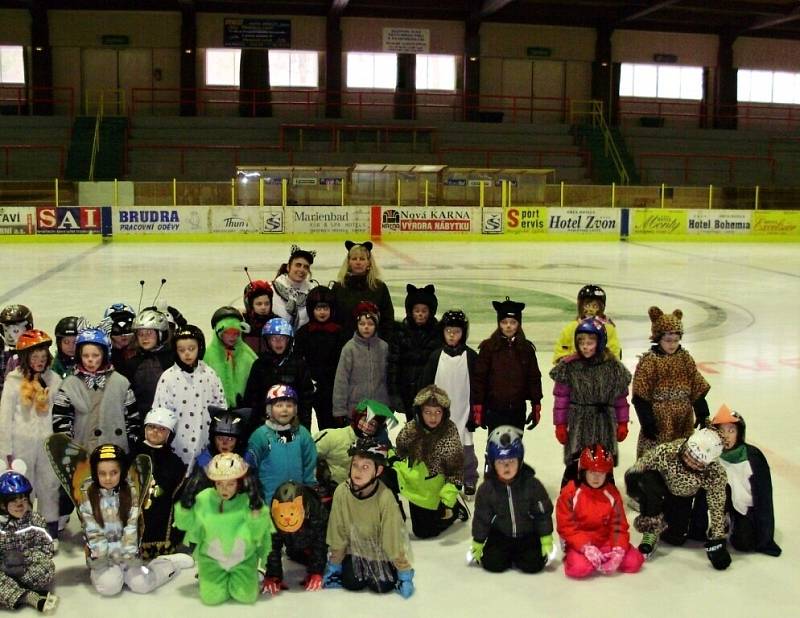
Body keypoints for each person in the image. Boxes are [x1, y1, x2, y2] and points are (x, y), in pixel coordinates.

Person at [78, 444, 188, 596]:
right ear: (95, 473)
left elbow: (132, 527)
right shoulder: (88, 495)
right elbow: (93, 531)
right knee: (109, 587)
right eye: (102, 473)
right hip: (102, 557)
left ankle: (168, 563)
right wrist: (104, 558)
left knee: (142, 584)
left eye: (114, 472)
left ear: (122, 472)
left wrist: (128, 555)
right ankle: (115, 575)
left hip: (128, 554)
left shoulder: (130, 492)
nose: (108, 478)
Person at [174, 452, 273, 605]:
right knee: (211, 598)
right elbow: (185, 525)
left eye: (230, 484)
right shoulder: (204, 498)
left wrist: (256, 509)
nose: (224, 489)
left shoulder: (248, 500)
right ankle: (213, 577)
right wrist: (186, 504)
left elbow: (258, 532)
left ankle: (251, 574)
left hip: (243, 560)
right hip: (212, 560)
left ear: (240, 482)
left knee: (246, 597)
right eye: (219, 483)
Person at [624, 428, 731, 569]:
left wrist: (718, 540)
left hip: (683, 497)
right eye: (689, 455)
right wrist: (633, 477)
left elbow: (717, 503)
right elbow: (645, 462)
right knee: (646, 479)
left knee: (675, 538)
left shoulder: (715, 473)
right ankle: (651, 529)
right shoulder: (668, 451)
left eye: (698, 462)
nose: (690, 463)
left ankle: (692, 522)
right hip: (661, 488)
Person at [323, 438, 413, 598]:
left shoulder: (385, 497)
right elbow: (338, 530)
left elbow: (392, 538)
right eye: (355, 465)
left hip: (380, 551)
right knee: (351, 582)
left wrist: (403, 572)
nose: (358, 471)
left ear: (377, 471)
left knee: (382, 585)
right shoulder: (341, 492)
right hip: (354, 551)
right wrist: (334, 566)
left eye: (366, 467)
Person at [550, 318, 631, 485]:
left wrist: (622, 422)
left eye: (590, 342)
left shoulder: (613, 367)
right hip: (580, 421)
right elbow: (561, 398)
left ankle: (606, 495)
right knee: (576, 458)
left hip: (604, 423)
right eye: (581, 342)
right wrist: (560, 424)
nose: (585, 347)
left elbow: (620, 398)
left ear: (600, 342)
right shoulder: (570, 366)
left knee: (603, 459)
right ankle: (570, 493)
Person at [0, 329, 62, 541]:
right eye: (35, 357)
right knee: (25, 486)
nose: (39, 362)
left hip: (47, 443)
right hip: (21, 445)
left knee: (49, 485)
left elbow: (59, 411)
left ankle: (49, 527)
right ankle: (24, 528)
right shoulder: (13, 381)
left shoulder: (53, 380)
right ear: (26, 358)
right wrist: (5, 450)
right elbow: (5, 418)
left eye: (43, 357)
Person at [470, 425, 553, 574]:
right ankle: (505, 555)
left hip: (527, 534)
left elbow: (542, 513)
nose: (507, 466)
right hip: (501, 534)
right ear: (493, 463)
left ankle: (522, 555)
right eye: (501, 462)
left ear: (520, 460)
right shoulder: (487, 490)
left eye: (512, 461)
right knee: (492, 564)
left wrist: (545, 537)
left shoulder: (532, 485)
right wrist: (478, 541)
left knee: (533, 565)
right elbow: (482, 518)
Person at [703, 404, 781, 556]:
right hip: (721, 502)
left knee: (743, 544)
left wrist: (766, 537)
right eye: (721, 430)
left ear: (739, 433)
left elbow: (764, 498)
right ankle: (722, 519)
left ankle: (737, 521)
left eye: (731, 431)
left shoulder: (753, 456)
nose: (726, 435)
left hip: (746, 507)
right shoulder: (711, 453)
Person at [632, 306, 710, 457]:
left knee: (681, 458)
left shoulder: (685, 359)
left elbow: (696, 384)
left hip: (683, 422)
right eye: (668, 340)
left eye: (676, 340)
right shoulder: (650, 361)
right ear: (657, 338)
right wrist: (647, 422)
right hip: (659, 423)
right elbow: (640, 395)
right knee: (657, 457)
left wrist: (702, 412)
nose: (672, 344)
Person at [556, 444, 644, 578]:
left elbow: (618, 525)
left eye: (601, 473)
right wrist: (585, 547)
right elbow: (565, 526)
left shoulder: (612, 493)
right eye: (592, 472)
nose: (596, 478)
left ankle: (606, 555)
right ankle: (576, 556)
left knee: (634, 562)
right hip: (579, 542)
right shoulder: (570, 493)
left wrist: (618, 549)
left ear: (607, 474)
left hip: (605, 540)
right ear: (583, 471)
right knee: (579, 569)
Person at [393, 385, 469, 539]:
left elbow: (455, 473)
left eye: (437, 412)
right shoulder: (411, 428)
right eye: (427, 412)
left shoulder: (449, 432)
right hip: (413, 480)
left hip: (433, 488)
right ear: (419, 412)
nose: (433, 418)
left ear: (444, 413)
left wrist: (446, 501)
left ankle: (455, 509)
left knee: (424, 532)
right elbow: (400, 449)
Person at [52, 325, 139, 453]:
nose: (90, 360)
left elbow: (132, 418)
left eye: (95, 355)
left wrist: (132, 443)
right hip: (82, 452)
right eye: (85, 355)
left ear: (105, 354)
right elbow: (60, 419)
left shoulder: (121, 382)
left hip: (115, 451)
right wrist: (68, 448)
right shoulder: (70, 384)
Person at [420, 309, 479, 496]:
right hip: (440, 414)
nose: (452, 335)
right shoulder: (436, 356)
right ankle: (445, 477)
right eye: (448, 331)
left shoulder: (470, 356)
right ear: (442, 332)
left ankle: (469, 477)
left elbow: (478, 385)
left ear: (464, 333)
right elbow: (425, 385)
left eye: (457, 332)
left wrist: (476, 413)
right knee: (440, 448)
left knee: (466, 449)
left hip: (464, 410)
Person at [152, 324, 226, 471]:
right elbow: (159, 412)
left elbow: (220, 405)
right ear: (175, 351)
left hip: (205, 441)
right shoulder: (168, 377)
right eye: (182, 350)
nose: (187, 354)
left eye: (191, 349)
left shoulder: (209, 374)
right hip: (176, 445)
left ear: (200, 347)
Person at [470, 297, 542, 433]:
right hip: (494, 409)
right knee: (495, 449)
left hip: (517, 409)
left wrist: (536, 404)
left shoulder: (526, 349)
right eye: (504, 322)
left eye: (513, 322)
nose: (508, 326)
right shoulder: (489, 348)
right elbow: (479, 378)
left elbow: (534, 378)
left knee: (515, 449)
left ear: (518, 324)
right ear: (499, 323)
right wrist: (478, 406)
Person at [0, 460, 58, 613]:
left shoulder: (35, 520)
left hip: (25, 568)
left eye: (24, 499)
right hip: (2, 569)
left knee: (47, 568)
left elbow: (47, 547)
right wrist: (4, 561)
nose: (21, 505)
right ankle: (26, 596)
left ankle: (12, 589)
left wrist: (25, 558)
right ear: (2, 504)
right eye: (14, 501)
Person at [247, 384, 316, 504]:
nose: (284, 409)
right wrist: (255, 496)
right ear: (269, 409)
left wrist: (309, 491)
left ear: (295, 409)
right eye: (279, 405)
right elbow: (250, 468)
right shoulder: (260, 436)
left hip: (297, 501)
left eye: (289, 405)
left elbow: (310, 464)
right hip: (269, 501)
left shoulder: (302, 434)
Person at [134, 407, 187, 559]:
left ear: (169, 434)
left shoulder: (175, 462)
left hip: (162, 514)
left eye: (162, 429)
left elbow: (178, 496)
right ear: (144, 429)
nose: (155, 432)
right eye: (151, 427)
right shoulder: (132, 456)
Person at [243, 317, 314, 429]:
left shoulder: (299, 365)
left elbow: (306, 399)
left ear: (288, 340)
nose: (278, 342)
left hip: (292, 423)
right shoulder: (259, 364)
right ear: (267, 341)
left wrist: (305, 427)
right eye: (273, 338)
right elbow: (252, 397)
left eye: (282, 338)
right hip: (265, 423)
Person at [294, 285, 347, 430]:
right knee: (305, 424)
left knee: (330, 425)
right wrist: (306, 379)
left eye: (325, 308)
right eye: (318, 308)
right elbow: (297, 359)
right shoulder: (303, 333)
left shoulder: (339, 333)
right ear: (312, 310)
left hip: (333, 387)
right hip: (311, 386)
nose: (322, 312)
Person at [263, 481, 328, 595]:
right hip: (294, 544)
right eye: (282, 515)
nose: (287, 520)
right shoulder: (273, 517)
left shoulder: (316, 514)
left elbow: (320, 543)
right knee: (293, 553)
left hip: (311, 541)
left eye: (291, 514)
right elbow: (272, 545)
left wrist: (316, 572)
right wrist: (273, 575)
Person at [315, 399, 397, 485]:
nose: (367, 426)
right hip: (333, 490)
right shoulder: (332, 437)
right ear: (357, 418)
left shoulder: (379, 447)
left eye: (373, 424)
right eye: (365, 420)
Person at [332, 302, 389, 423]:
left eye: (370, 324)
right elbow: (341, 381)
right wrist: (339, 410)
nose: (366, 327)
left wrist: (389, 404)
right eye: (362, 324)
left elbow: (389, 379)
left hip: (379, 409)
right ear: (357, 325)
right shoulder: (349, 348)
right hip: (355, 410)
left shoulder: (384, 347)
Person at [389, 284, 440, 420]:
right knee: (412, 428)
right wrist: (394, 393)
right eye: (416, 310)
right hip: (407, 392)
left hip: (430, 393)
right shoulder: (400, 332)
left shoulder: (437, 333)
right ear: (410, 311)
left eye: (424, 310)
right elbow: (393, 363)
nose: (420, 314)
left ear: (431, 311)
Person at [331, 240, 395, 341]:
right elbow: (333, 319)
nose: (358, 262)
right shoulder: (338, 288)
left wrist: (383, 342)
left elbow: (388, 319)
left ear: (369, 262)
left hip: (374, 345)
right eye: (354, 259)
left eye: (362, 259)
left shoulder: (379, 287)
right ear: (348, 262)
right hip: (344, 344)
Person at [204, 306, 258, 409]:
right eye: (227, 333)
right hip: (217, 410)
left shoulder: (248, 356)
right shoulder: (208, 357)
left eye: (236, 333)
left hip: (244, 409)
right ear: (219, 333)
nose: (232, 337)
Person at [552, 284, 621, 364]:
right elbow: (560, 351)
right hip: (576, 371)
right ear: (581, 306)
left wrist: (604, 363)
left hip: (600, 371)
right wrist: (568, 361)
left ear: (601, 308)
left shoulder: (608, 328)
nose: (590, 309)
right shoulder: (571, 327)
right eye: (587, 305)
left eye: (595, 306)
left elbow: (614, 352)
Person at [127, 308, 173, 418]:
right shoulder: (132, 364)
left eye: (149, 332)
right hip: (145, 421)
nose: (144, 337)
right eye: (140, 334)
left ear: (161, 334)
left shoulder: (173, 359)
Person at [272, 245, 318, 331]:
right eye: (298, 265)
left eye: (306, 267)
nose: (302, 269)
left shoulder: (313, 292)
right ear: (288, 267)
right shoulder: (273, 289)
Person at [0, 304, 34, 396]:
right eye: (6, 330)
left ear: (28, 328)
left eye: (15, 330)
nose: (10, 335)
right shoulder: (3, 352)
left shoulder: (37, 352)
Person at [241, 278, 275, 355]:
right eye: (259, 304)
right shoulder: (243, 322)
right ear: (250, 305)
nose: (263, 307)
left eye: (267, 304)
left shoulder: (276, 321)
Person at [103, 303, 137, 375]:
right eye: (116, 329)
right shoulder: (104, 357)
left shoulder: (143, 353)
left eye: (127, 328)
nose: (123, 335)